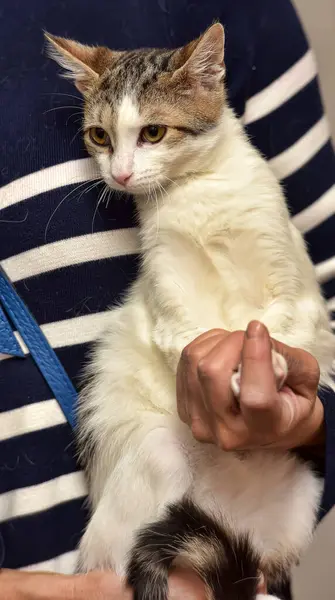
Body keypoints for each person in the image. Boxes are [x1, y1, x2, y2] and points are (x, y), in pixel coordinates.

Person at [0, 0, 334, 597]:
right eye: (102, 139)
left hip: (242, 531)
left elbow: (318, 302)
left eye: (150, 133)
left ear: (208, 83)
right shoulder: (154, 204)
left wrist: (304, 419)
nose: (121, 171)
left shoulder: (249, 23)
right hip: (114, 538)